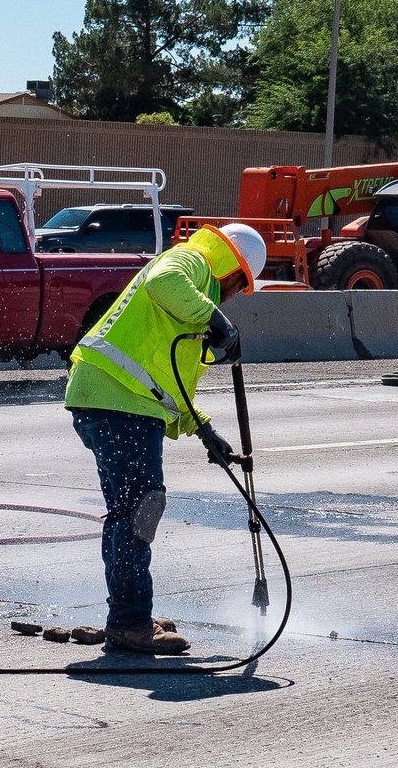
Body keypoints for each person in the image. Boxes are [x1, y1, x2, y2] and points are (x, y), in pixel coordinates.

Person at [64, 220, 269, 655]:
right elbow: (163, 280)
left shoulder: (188, 303)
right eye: (239, 289)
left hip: (115, 399)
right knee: (140, 508)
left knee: (128, 511)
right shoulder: (190, 263)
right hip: (118, 402)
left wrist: (204, 429)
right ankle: (129, 622)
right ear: (233, 273)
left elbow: (166, 381)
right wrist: (217, 320)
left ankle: (127, 612)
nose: (233, 298)